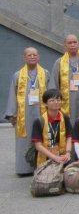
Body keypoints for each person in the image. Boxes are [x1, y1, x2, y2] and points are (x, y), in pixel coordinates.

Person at [5, 47, 50, 175]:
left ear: (38, 57)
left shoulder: (45, 73)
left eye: (34, 55)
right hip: (23, 114)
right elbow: (13, 94)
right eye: (29, 55)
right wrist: (12, 113)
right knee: (24, 140)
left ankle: (42, 165)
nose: (32, 57)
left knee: (43, 137)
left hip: (41, 112)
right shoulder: (18, 75)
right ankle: (24, 169)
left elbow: (50, 93)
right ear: (24, 58)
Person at [49, 34, 79, 125]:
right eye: (70, 43)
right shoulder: (59, 62)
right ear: (65, 45)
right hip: (66, 102)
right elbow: (54, 84)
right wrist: (55, 103)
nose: (72, 45)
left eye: (75, 42)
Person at [30, 89, 72, 168]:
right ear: (45, 103)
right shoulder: (39, 121)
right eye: (52, 100)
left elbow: (69, 137)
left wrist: (68, 152)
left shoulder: (65, 118)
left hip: (62, 156)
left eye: (58, 100)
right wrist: (55, 158)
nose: (56, 102)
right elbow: (38, 146)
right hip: (45, 158)